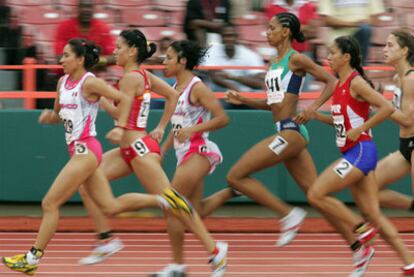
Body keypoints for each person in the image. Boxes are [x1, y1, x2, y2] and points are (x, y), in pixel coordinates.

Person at [0, 38, 186, 276]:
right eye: (62, 55)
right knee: (110, 206)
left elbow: (125, 99)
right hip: (77, 150)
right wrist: (50, 117)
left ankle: (32, 258)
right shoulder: (62, 82)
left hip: (86, 151)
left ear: (79, 59)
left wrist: (120, 125)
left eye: (66, 55)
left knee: (50, 203)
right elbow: (59, 115)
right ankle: (165, 200)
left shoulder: (92, 83)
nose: (61, 60)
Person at [73, 30, 228, 276]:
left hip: (139, 149)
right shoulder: (142, 75)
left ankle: (214, 249)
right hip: (133, 147)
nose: (114, 51)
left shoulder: (131, 78)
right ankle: (106, 239)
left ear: (132, 51)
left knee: (173, 202)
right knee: (86, 181)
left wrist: (109, 112)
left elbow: (120, 114)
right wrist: (160, 127)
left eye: (119, 47)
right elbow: (173, 95)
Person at [222, 12, 361, 252]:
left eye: (271, 28)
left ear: (285, 32)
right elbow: (272, 104)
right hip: (286, 131)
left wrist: (312, 109)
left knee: (236, 176)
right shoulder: (274, 64)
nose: (267, 32)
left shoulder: (296, 59)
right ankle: (358, 246)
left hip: (291, 132)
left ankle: (288, 215)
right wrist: (243, 99)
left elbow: (332, 81)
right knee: (317, 196)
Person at [298, 35, 414, 276]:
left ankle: (360, 230)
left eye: (332, 53)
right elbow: (342, 122)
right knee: (373, 213)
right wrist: (316, 116)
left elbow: (386, 108)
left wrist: (361, 128)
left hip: (361, 151)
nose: (327, 57)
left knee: (316, 193)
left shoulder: (356, 82)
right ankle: (409, 263)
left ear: (346, 57)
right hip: (354, 150)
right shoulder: (340, 85)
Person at [151, 39, 230, 276]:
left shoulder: (197, 87)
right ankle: (178, 266)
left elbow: (222, 118)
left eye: (168, 58)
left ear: (182, 61)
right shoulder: (174, 89)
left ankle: (215, 251)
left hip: (201, 151)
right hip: (183, 153)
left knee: (170, 200)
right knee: (188, 210)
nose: (163, 62)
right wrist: (164, 148)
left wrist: (193, 130)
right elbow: (177, 126)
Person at [375, 30, 414, 212]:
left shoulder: (411, 79)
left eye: (390, 46)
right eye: (384, 45)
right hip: (405, 145)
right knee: (369, 188)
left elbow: (406, 119)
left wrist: (378, 101)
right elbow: (395, 115)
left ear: (404, 51)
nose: (384, 49)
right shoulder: (398, 78)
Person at [202, 24, 266, 92]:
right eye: (226, 36)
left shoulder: (250, 55)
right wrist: (231, 86)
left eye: (232, 36)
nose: (229, 39)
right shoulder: (211, 51)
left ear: (237, 37)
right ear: (221, 38)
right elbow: (214, 76)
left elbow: (260, 83)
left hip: (244, 93)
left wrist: (232, 77)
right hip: (220, 92)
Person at [318, 0, 385, 64]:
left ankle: (359, 66)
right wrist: (354, 24)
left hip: (361, 39)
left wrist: (361, 24)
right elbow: (327, 20)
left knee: (365, 29)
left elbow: (376, 19)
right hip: (339, 41)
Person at [54, 0, 115, 68]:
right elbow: (59, 57)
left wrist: (94, 61)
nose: (86, 10)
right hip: (68, 74)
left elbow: (114, 57)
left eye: (89, 7)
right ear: (78, 9)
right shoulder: (65, 27)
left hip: (96, 74)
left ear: (93, 9)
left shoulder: (102, 28)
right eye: (83, 7)